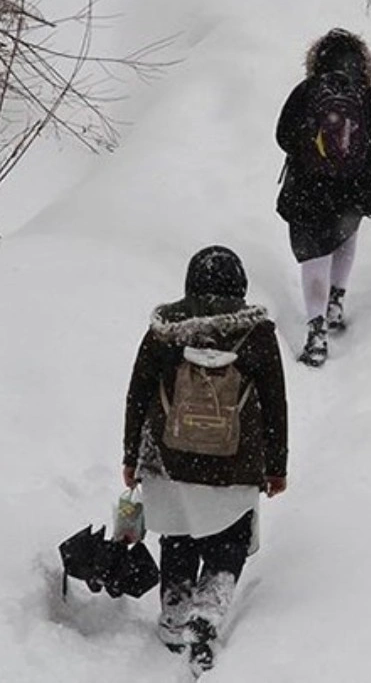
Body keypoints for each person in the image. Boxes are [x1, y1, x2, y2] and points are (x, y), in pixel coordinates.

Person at [123, 246, 288, 675]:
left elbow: (138, 394)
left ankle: (175, 612)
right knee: (228, 540)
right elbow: (275, 403)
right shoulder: (257, 334)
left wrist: (130, 457)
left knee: (178, 535)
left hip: (168, 457)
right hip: (234, 462)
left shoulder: (165, 330)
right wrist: (277, 466)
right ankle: (207, 612)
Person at [275, 27, 371, 366]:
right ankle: (336, 301)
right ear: (362, 63)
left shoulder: (306, 91)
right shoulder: (368, 96)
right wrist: (357, 156)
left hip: (307, 191)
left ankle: (316, 330)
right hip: (353, 192)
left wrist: (313, 153)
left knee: (313, 255)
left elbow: (283, 136)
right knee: (344, 234)